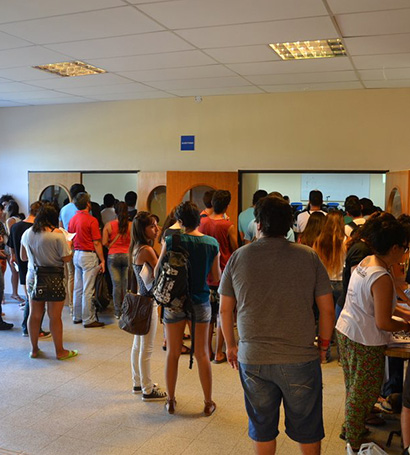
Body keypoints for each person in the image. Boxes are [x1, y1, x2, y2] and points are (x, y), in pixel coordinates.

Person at [219, 195, 334, 455]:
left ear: (258, 224)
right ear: (290, 226)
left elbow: (225, 309)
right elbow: (327, 309)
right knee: (308, 427)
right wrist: (324, 347)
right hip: (300, 357)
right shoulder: (309, 257)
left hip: (254, 357)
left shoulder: (239, 257)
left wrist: (230, 345)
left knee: (262, 426)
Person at [336, 216, 410, 451]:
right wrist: (407, 327)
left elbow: (382, 305)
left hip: (347, 331)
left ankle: (350, 429)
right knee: (364, 392)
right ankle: (353, 439)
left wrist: (407, 316)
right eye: (405, 248)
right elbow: (383, 320)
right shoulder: (381, 276)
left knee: (354, 387)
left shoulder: (369, 261)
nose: (405, 255)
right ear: (395, 247)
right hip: (364, 340)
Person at [156, 201, 220, 415]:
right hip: (200, 300)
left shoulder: (171, 239)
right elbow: (216, 277)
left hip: (174, 302)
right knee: (202, 353)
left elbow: (158, 270)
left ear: (180, 221)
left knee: (172, 353)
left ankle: (171, 400)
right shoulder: (212, 243)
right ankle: (208, 401)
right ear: (199, 219)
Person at [20, 203, 77, 360]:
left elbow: (23, 258)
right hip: (54, 278)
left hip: (33, 277)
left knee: (35, 314)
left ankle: (34, 349)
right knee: (55, 316)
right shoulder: (57, 235)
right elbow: (66, 259)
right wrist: (69, 246)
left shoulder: (27, 234)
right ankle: (60, 352)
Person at [129, 211, 167, 401]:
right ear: (143, 229)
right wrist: (165, 247)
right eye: (152, 226)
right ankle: (147, 389)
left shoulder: (136, 247)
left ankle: (138, 381)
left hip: (139, 300)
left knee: (138, 345)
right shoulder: (147, 249)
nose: (157, 229)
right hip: (148, 302)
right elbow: (160, 269)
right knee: (147, 348)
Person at [199, 189, 237, 363]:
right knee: (223, 313)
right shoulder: (227, 225)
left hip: (206, 273)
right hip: (223, 274)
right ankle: (219, 352)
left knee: (208, 314)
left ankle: (207, 349)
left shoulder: (203, 223)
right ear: (227, 205)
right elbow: (235, 248)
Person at [7, 201, 49, 337]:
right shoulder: (35, 229)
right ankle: (32, 328)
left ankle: (28, 327)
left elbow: (11, 246)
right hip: (35, 266)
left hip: (21, 265)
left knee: (29, 298)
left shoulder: (15, 227)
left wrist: (13, 256)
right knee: (36, 301)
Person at [68, 192, 105, 328]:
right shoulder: (92, 220)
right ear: (88, 204)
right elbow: (96, 243)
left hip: (76, 254)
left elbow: (70, 239)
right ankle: (88, 319)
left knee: (78, 287)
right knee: (88, 289)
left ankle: (76, 316)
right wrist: (102, 260)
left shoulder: (72, 220)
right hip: (88, 255)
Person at [59, 183, 85, 314]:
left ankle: (71, 306)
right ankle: (81, 305)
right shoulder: (83, 209)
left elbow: (61, 229)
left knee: (71, 275)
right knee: (82, 276)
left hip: (68, 244)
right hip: (82, 246)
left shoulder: (63, 209)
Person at [102, 201, 131, 319]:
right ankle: (127, 310)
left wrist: (111, 247)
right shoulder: (131, 225)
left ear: (115, 211)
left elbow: (104, 242)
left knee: (116, 285)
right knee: (126, 285)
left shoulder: (109, 225)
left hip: (113, 256)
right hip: (127, 255)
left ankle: (117, 312)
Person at [5, 200, 24, 303]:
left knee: (14, 271)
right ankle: (14, 293)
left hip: (11, 247)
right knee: (15, 271)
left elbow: (10, 235)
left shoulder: (10, 220)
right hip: (18, 246)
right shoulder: (20, 218)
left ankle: (14, 293)